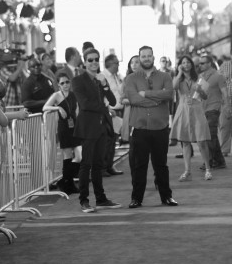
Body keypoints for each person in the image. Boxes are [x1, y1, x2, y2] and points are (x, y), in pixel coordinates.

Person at [123, 46, 177, 208]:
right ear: (139, 58)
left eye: (149, 56)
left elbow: (169, 95)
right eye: (143, 56)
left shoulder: (165, 76)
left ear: (153, 57)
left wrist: (146, 94)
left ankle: (166, 197)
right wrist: (156, 99)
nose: (146, 58)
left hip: (160, 127)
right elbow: (132, 98)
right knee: (139, 166)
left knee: (161, 165)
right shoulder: (131, 78)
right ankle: (136, 199)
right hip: (139, 128)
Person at [70, 48, 121, 212]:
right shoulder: (78, 80)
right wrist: (104, 108)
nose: (93, 62)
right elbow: (85, 104)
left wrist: (105, 85)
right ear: (84, 62)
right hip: (88, 126)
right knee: (86, 164)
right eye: (90, 60)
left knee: (99, 164)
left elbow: (112, 101)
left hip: (102, 127)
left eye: (96, 59)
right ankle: (84, 200)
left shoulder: (101, 79)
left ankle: (101, 199)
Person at [170, 55, 212, 181]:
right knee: (185, 142)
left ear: (192, 65)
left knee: (202, 141)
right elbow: (174, 87)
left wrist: (200, 90)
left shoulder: (199, 78)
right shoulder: (178, 78)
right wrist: (179, 73)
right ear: (180, 65)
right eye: (183, 62)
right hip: (183, 110)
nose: (186, 64)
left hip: (197, 110)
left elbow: (205, 97)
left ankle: (208, 169)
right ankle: (187, 170)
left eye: (188, 62)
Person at [43, 69, 80, 195]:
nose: (65, 85)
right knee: (68, 156)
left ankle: (64, 180)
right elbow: (45, 107)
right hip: (64, 128)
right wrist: (58, 107)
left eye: (67, 82)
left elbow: (77, 110)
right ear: (58, 84)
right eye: (62, 83)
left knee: (79, 155)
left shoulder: (73, 94)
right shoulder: (56, 95)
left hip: (74, 126)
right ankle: (68, 183)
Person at [196, 55, 227, 169]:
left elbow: (225, 92)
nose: (200, 65)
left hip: (214, 108)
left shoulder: (218, 76)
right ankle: (218, 161)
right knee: (210, 136)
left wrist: (227, 106)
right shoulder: (201, 76)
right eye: (200, 63)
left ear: (210, 63)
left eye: (203, 63)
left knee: (210, 135)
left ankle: (210, 161)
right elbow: (199, 94)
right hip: (202, 109)